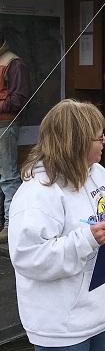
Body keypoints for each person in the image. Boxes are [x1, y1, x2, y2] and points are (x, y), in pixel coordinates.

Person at [8, 99, 105, 351]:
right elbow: (28, 257)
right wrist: (87, 240)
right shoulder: (38, 194)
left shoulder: (98, 174)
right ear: (76, 141)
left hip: (103, 313)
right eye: (99, 135)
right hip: (63, 323)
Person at [0, 29, 31, 242]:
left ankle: (12, 223)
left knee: (8, 175)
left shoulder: (14, 63)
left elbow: (19, 99)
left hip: (5, 124)